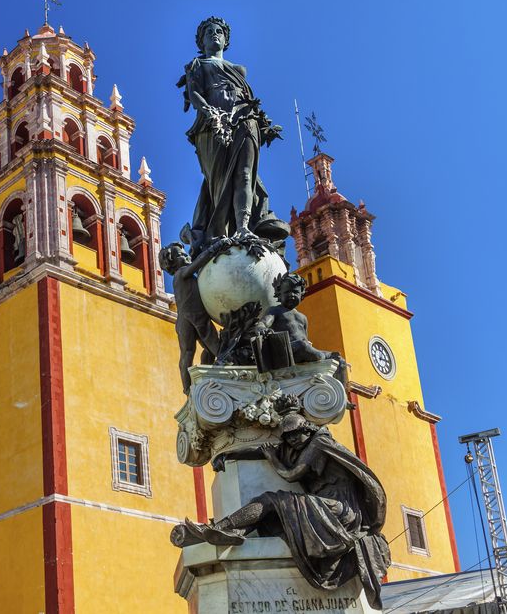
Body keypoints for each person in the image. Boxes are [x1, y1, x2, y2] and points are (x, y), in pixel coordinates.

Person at [173, 412, 391, 609]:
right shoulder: (299, 447)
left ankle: (221, 528)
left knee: (271, 501)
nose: (294, 440)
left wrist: (274, 459)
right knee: (273, 505)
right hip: (323, 505)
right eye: (289, 436)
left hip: (340, 511)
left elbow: (292, 474)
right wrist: (231, 454)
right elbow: (264, 450)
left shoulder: (320, 443)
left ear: (308, 429)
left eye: (297, 434)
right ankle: (229, 532)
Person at [178, 17, 288, 255]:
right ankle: (219, 231)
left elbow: (249, 98)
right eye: (209, 32)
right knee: (217, 181)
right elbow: (195, 94)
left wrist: (265, 126)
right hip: (212, 126)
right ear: (201, 41)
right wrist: (210, 113)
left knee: (246, 174)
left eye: (219, 32)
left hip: (245, 118)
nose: (215, 35)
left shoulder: (239, 70)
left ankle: (244, 227)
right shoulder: (198, 64)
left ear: (226, 40)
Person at [159, 241, 223, 394]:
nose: (186, 256)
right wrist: (214, 248)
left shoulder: (180, 277)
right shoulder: (181, 273)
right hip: (197, 317)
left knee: (190, 352)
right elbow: (198, 263)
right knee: (216, 349)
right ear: (172, 263)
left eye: (185, 253)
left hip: (183, 320)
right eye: (181, 255)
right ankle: (196, 384)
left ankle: (190, 387)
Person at [262, 273, 346, 379]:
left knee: (339, 360)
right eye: (287, 292)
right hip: (287, 350)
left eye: (295, 292)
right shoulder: (275, 310)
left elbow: (306, 339)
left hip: (304, 349)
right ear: (279, 294)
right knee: (304, 347)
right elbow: (263, 323)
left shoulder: (302, 317)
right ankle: (318, 357)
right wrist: (262, 329)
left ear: (302, 294)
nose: (291, 295)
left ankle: (342, 393)